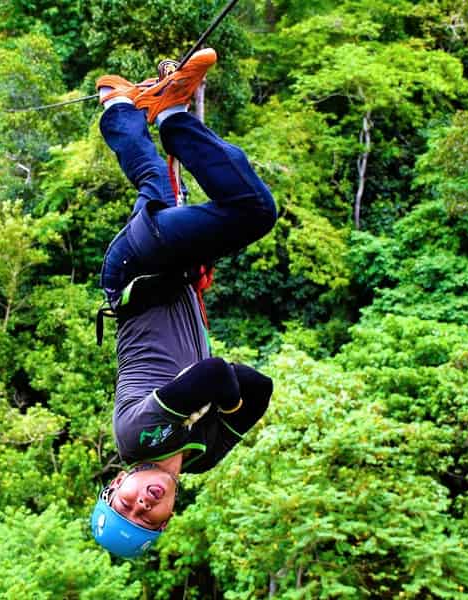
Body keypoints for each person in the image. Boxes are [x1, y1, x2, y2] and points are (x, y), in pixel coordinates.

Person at [90, 48, 278, 559]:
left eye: (124, 505)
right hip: (173, 279)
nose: (141, 505)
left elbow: (219, 376)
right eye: (146, 519)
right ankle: (144, 107)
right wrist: (227, 398)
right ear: (168, 518)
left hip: (136, 275)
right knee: (156, 187)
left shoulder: (138, 437)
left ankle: (152, 112)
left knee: (252, 212)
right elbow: (261, 388)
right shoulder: (201, 456)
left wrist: (223, 403)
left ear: (115, 484)